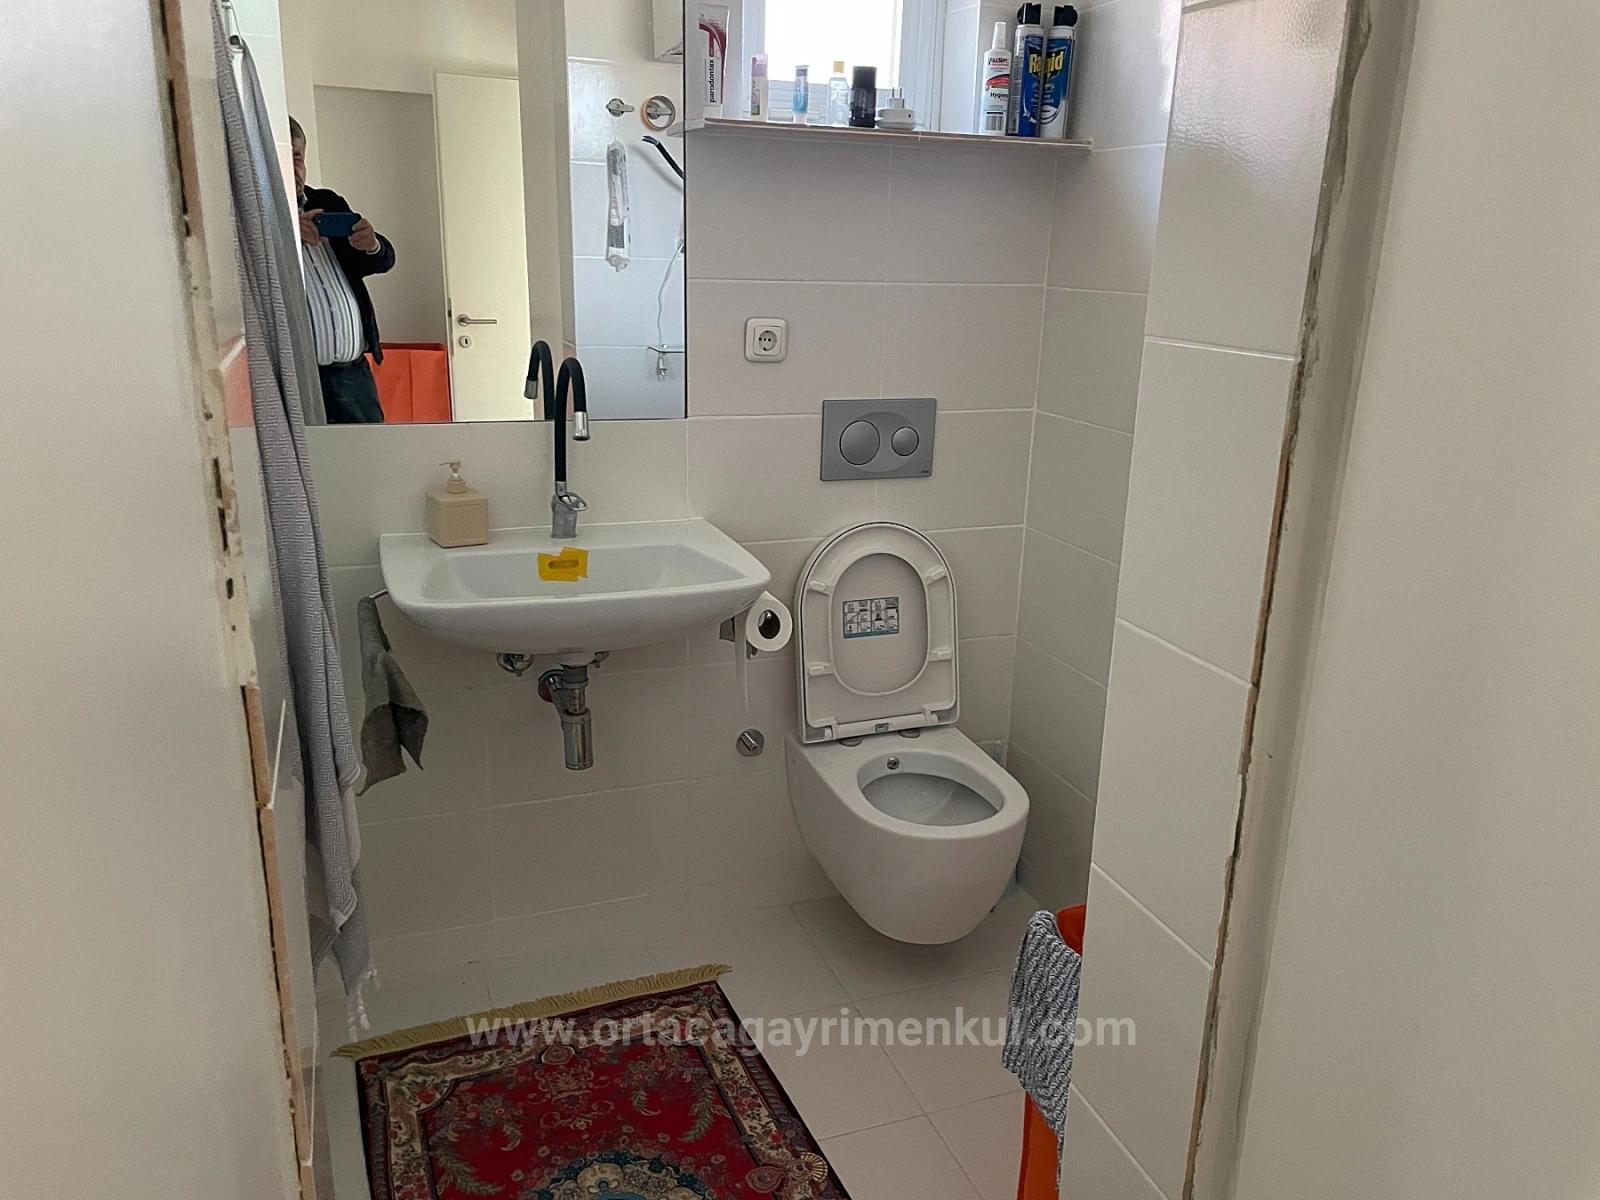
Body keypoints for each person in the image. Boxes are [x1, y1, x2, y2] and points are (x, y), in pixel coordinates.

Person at [289, 116, 395, 424]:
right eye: (284, 157)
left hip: (355, 373)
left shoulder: (327, 201)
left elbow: (383, 261)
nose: (294, 168)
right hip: (301, 380)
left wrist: (371, 243)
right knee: (312, 454)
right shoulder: (254, 216)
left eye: (298, 158)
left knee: (370, 451)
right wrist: (289, 232)